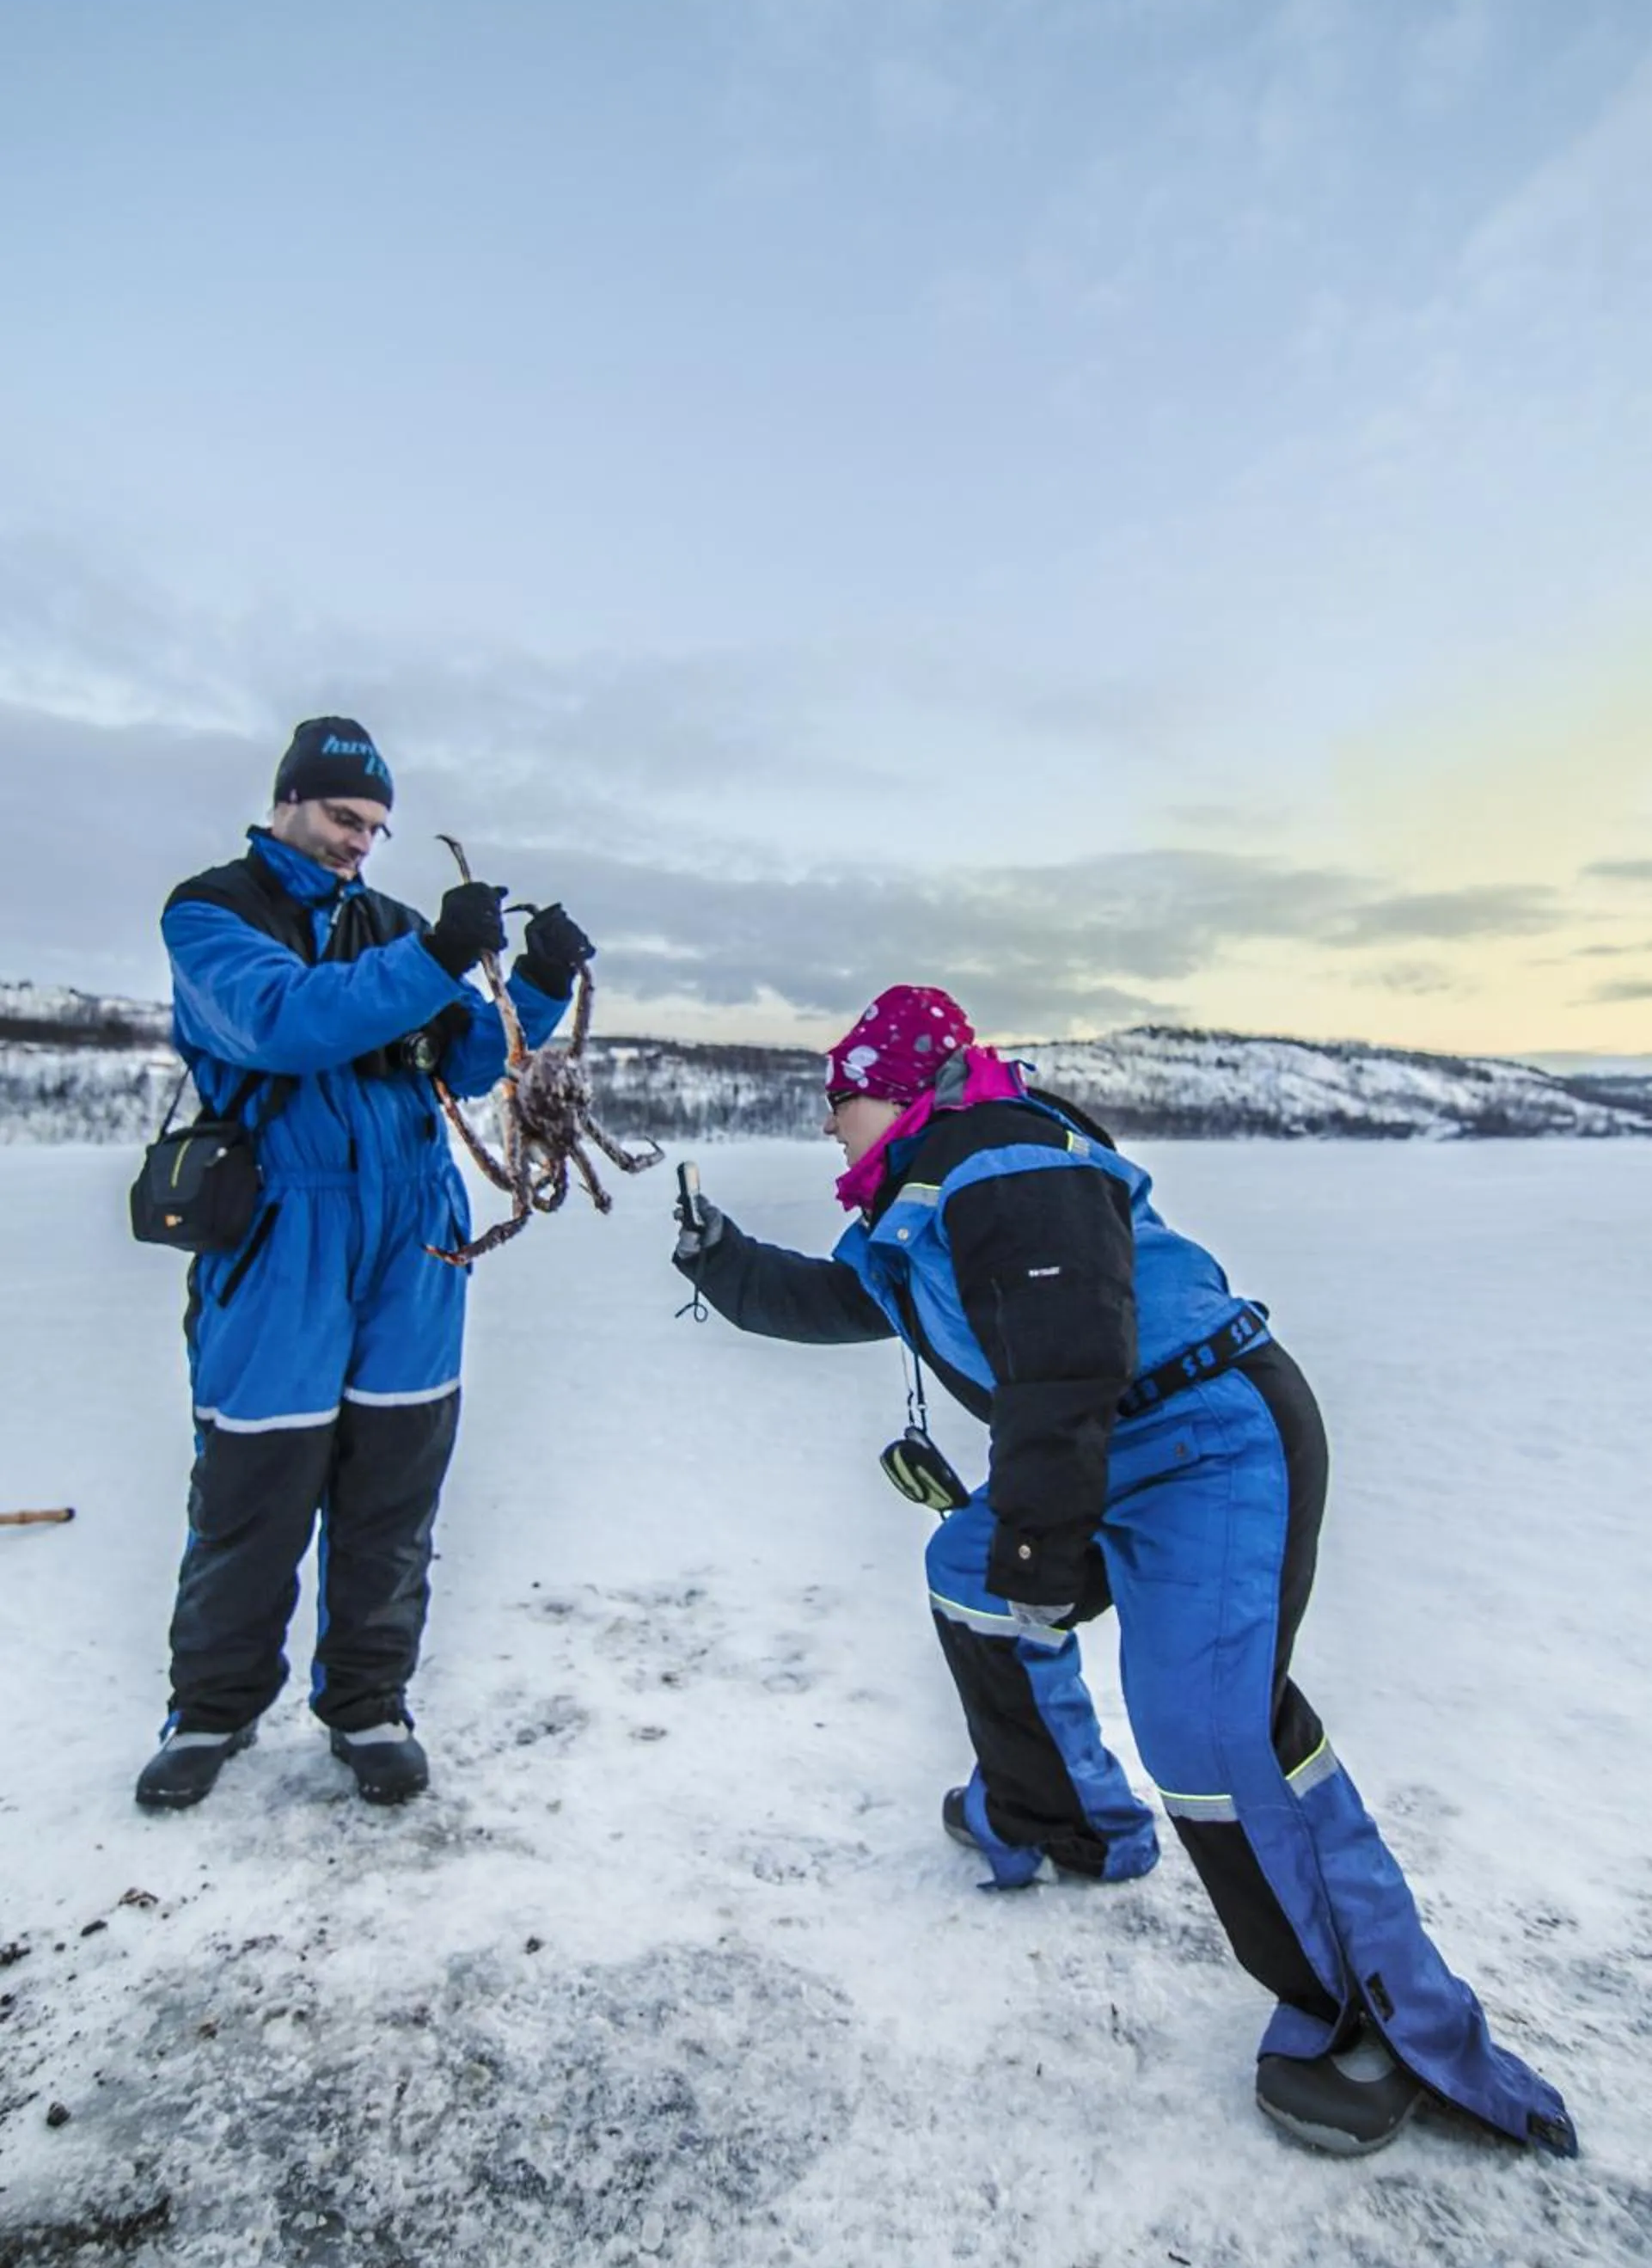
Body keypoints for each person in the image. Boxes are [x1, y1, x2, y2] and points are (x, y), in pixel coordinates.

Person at [671, 983, 1576, 2160]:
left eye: (836, 1098)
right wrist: (722, 1261)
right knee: (968, 1572)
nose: (825, 1123)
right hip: (1112, 1442)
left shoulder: (1000, 1159)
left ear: (893, 1091)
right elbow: (848, 1298)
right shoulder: (924, 1193)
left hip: (1208, 1441)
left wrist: (1040, 1544)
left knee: (1209, 1733)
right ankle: (1065, 1819)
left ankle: (1371, 2018)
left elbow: (1064, 1362)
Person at [135, 716, 593, 1811]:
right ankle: (212, 1709)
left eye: (376, 827)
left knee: (394, 1483)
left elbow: (471, 1058)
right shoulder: (214, 911)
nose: (358, 841)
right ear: (288, 800)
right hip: (281, 1225)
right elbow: (283, 1022)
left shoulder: (388, 924)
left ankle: (369, 1703)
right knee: (254, 1483)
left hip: (413, 1228)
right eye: (344, 817)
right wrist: (433, 956)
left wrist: (534, 981)